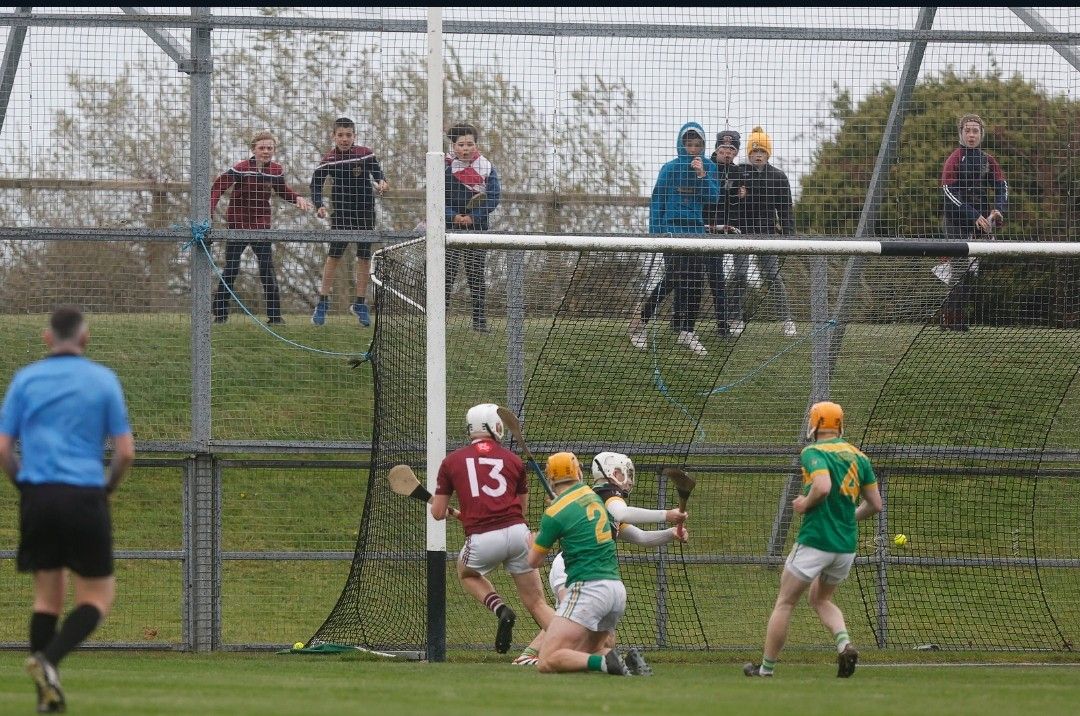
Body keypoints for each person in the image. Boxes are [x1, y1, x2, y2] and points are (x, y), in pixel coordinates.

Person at [0, 306, 135, 713]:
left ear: (47, 338)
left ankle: (47, 698)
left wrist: (24, 486)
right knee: (97, 596)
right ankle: (49, 661)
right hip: (83, 496)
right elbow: (125, 452)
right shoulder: (102, 380)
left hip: (38, 497)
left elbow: (3, 447)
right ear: (85, 338)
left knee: (46, 599)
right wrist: (106, 489)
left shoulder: (26, 380)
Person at [513, 451, 688, 673]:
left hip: (587, 578)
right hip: (597, 580)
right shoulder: (600, 497)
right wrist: (668, 518)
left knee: (566, 649)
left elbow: (638, 534)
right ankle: (614, 664)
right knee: (582, 637)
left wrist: (670, 530)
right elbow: (621, 513)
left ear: (550, 478)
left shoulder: (581, 503)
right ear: (579, 473)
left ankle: (605, 662)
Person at [744, 401, 881, 679]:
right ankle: (844, 644)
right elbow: (875, 504)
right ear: (839, 424)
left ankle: (765, 669)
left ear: (816, 424)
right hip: (844, 546)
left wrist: (805, 503)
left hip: (815, 540)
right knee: (820, 599)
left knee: (785, 602)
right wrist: (847, 518)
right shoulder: (859, 456)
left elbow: (822, 486)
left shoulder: (813, 451)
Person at [430, 403, 553, 653]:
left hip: (482, 540)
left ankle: (501, 609)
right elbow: (521, 510)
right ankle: (576, 646)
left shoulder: (451, 462)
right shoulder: (514, 461)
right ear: (495, 427)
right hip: (520, 535)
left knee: (466, 573)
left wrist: (455, 512)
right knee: (537, 602)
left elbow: (438, 513)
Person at [629, 122, 720, 356]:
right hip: (671, 230)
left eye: (697, 144)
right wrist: (655, 233)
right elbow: (657, 200)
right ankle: (640, 323)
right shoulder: (669, 169)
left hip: (697, 231)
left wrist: (701, 176)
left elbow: (713, 198)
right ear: (682, 144)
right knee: (673, 277)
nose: (693, 148)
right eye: (689, 144)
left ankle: (687, 330)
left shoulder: (709, 167)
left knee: (695, 280)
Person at [211, 130, 314, 324]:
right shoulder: (241, 169)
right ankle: (220, 314)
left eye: (270, 148)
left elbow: (282, 190)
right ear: (253, 149)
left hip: (261, 226)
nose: (266, 151)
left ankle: (275, 317)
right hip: (238, 225)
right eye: (262, 148)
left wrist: (297, 198)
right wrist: (209, 213)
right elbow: (218, 188)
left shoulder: (276, 170)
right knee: (231, 268)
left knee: (267, 269)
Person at [309, 116, 389, 328]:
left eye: (348, 135)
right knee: (334, 256)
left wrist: (382, 182)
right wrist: (319, 204)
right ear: (333, 136)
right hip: (341, 213)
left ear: (355, 136)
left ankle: (360, 303)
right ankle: (323, 301)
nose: (344, 139)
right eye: (340, 135)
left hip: (365, 212)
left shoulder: (365, 154)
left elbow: (379, 174)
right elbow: (315, 185)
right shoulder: (329, 159)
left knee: (364, 256)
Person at [939, 113, 1007, 331]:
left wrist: (998, 210)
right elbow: (948, 192)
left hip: (980, 223)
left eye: (975, 131)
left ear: (981, 134)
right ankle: (950, 319)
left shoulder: (988, 160)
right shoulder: (955, 158)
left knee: (970, 269)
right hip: (955, 220)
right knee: (958, 267)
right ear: (961, 133)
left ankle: (955, 319)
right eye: (967, 130)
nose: (971, 134)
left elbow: (1002, 187)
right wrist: (972, 214)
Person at [739, 126, 797, 337]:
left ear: (768, 153)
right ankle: (735, 318)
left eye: (762, 151)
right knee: (739, 274)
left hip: (767, 234)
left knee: (772, 276)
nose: (758, 155)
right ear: (749, 153)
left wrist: (789, 235)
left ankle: (787, 319)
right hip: (742, 233)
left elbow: (785, 209)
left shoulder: (779, 177)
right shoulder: (739, 173)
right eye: (754, 152)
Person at [444, 123, 501, 332]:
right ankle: (439, 320)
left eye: (470, 144)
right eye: (461, 144)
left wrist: (473, 217)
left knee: (476, 274)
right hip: (449, 229)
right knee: (446, 274)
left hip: (477, 229)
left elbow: (493, 198)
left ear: (476, 145)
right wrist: (453, 216)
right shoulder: (445, 168)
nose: (465, 148)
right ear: (454, 146)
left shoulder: (486, 168)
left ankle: (479, 321)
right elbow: (436, 198)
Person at [703, 129, 746, 338]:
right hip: (699, 229)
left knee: (718, 279)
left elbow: (735, 206)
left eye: (732, 149)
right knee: (687, 277)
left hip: (720, 233)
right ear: (716, 148)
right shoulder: (706, 166)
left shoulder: (737, 173)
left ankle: (722, 326)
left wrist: (740, 198)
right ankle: (679, 322)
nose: (727, 153)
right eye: (723, 148)